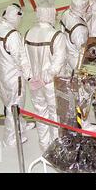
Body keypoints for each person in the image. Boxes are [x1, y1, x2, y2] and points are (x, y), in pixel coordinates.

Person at [0, 4, 34, 147]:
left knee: (10, 101)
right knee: (14, 104)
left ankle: (20, 125)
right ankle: (10, 138)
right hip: (14, 77)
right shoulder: (12, 35)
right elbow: (20, 58)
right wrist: (30, 77)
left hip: (1, 74)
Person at [25, 8, 66, 151]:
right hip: (51, 84)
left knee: (40, 112)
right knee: (55, 114)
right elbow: (58, 61)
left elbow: (24, 59)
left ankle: (44, 144)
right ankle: (55, 146)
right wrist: (46, 78)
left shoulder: (29, 32)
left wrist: (30, 76)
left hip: (34, 83)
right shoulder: (56, 35)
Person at [60, 0, 89, 75]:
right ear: (83, 9)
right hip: (75, 59)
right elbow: (82, 49)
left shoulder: (66, 13)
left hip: (65, 51)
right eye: (87, 7)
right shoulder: (80, 30)